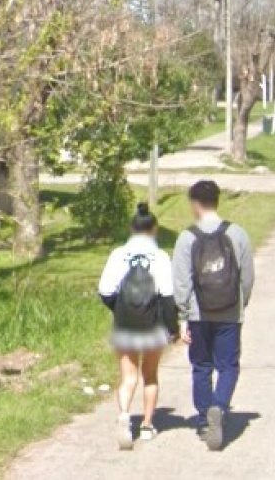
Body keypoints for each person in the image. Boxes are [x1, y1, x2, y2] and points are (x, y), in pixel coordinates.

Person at [172, 180, 254, 451]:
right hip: (229, 312)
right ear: (217, 201)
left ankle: (205, 420)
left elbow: (181, 282)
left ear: (195, 204)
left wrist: (182, 316)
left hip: (198, 314)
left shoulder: (187, 237)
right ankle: (219, 406)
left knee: (201, 366)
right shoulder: (237, 233)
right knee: (228, 366)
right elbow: (247, 277)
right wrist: (240, 304)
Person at [99, 203, 179, 450]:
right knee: (150, 375)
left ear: (131, 229)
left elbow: (105, 291)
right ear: (154, 230)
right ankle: (146, 425)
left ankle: (125, 415)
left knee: (128, 376)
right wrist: (172, 328)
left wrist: (119, 309)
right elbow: (168, 296)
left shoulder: (117, 254)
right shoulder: (161, 257)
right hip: (153, 325)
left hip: (125, 325)